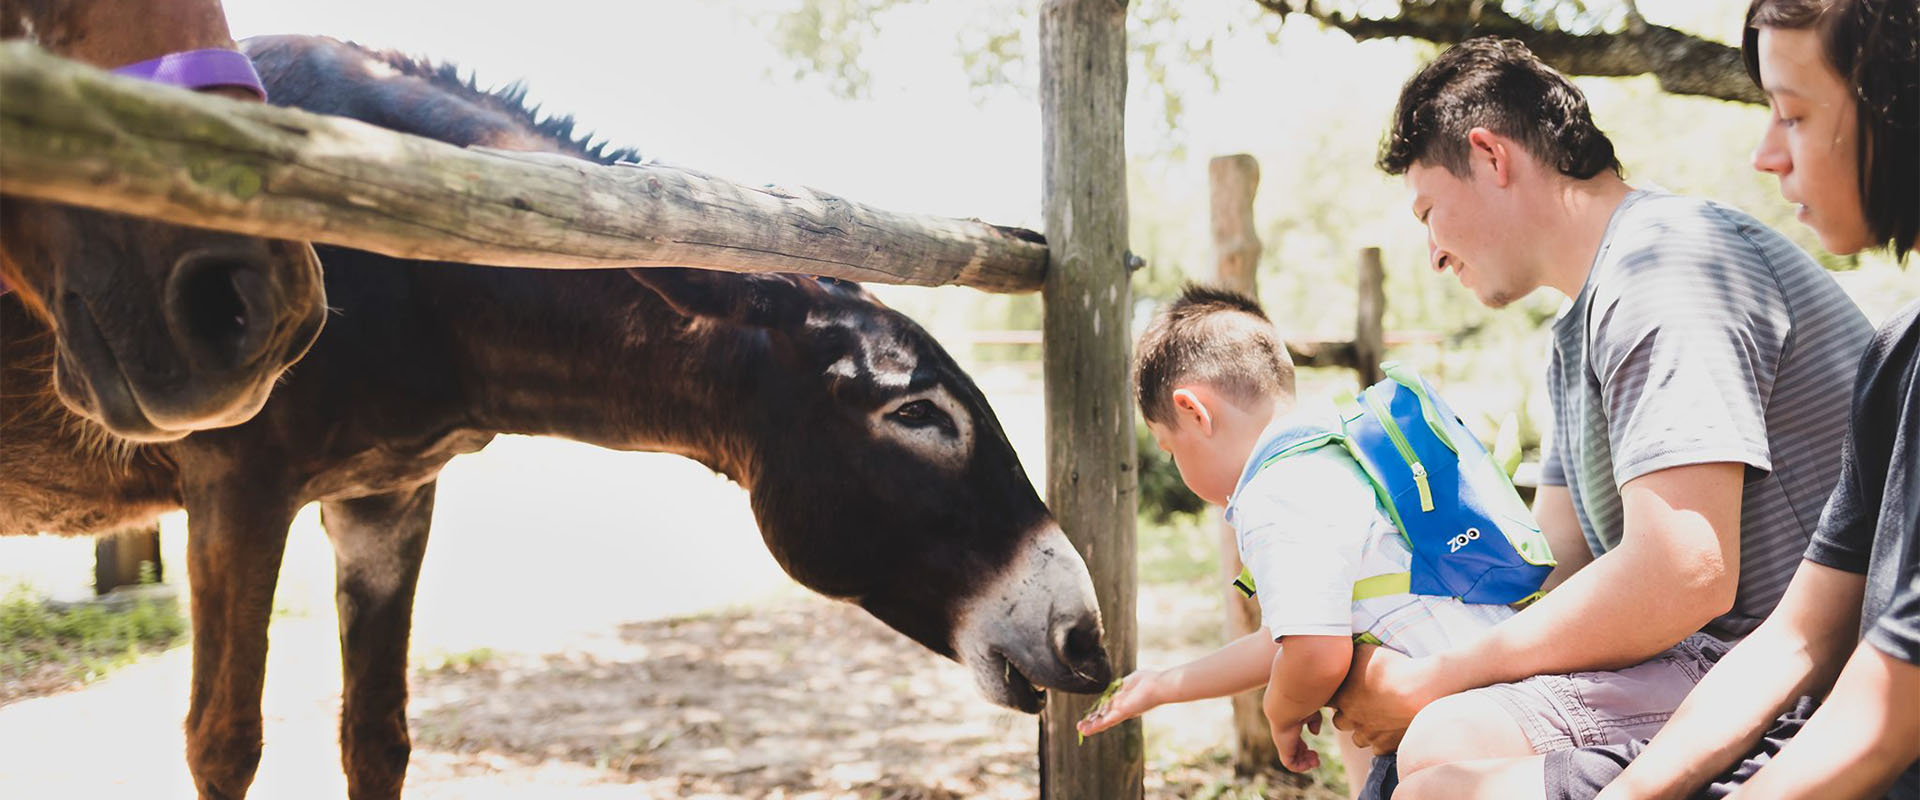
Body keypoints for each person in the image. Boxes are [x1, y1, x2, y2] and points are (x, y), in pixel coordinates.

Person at [1329, 36, 1876, 793]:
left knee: (1444, 739)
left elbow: (1685, 572)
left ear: (1490, 156)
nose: (1432, 253)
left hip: (1792, 671)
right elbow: (1558, 562)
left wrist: (1441, 680)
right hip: (1699, 658)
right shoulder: (1579, 328)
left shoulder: (1666, 265)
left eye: (1429, 211)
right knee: (1404, 724)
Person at [1076, 284, 1513, 788]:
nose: (1176, 467)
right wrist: (1160, 687)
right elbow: (1284, 641)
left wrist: (1280, 711)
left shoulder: (1274, 495)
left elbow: (1315, 655)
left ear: (1195, 411)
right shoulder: (1334, 462)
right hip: (1496, 708)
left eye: (1169, 447)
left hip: (1451, 737)